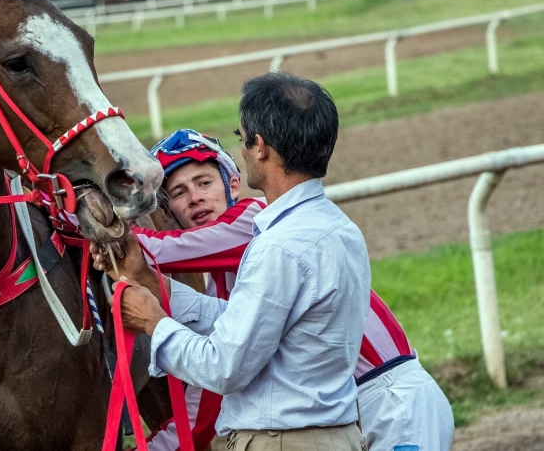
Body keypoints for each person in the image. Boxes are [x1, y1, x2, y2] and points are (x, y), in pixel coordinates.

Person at [98, 127, 454, 451]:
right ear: (170, 210)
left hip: (388, 402)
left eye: (204, 183)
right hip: (352, 410)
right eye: (179, 192)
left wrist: (86, 220)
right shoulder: (223, 277)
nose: (195, 198)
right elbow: (208, 399)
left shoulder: (251, 223)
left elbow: (152, 248)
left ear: (232, 184)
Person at [98, 73, 372, 450]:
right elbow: (239, 323)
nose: (242, 150)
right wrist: (154, 285)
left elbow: (222, 367)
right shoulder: (341, 228)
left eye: (242, 138)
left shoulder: (277, 247)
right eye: (180, 192)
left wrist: (153, 321)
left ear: (260, 147)